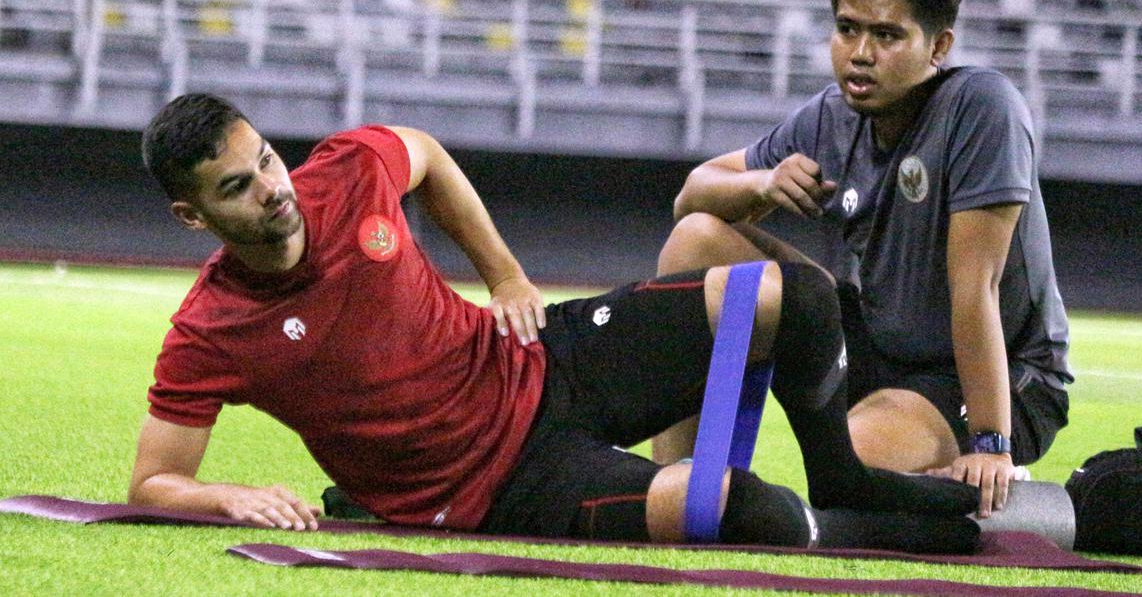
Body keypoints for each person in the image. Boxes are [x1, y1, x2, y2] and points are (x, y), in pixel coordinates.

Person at [128, 93, 979, 551]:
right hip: (489, 484)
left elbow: (422, 152)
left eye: (266, 160)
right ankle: (862, 524)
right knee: (742, 512)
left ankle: (840, 475)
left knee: (791, 294)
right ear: (189, 215)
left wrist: (503, 277)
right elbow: (153, 482)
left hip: (536, 356)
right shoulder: (210, 330)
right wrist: (226, 497)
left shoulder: (344, 170)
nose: (273, 188)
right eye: (236, 186)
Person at [654, 0, 1072, 519]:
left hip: (988, 378)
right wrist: (761, 184)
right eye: (848, 28)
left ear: (938, 46)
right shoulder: (833, 113)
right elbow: (691, 196)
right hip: (872, 342)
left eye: (887, 35)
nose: (860, 53)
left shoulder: (983, 108)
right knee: (698, 236)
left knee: (849, 465)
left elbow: (974, 288)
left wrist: (992, 446)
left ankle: (966, 476)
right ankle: (675, 487)